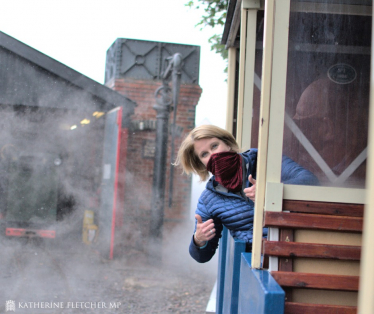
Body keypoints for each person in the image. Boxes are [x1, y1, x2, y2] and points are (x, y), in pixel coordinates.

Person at [175, 124, 319, 263]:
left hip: (293, 248)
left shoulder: (265, 161)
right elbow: (202, 257)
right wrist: (199, 239)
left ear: (228, 144)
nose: (214, 155)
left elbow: (310, 180)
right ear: (202, 164)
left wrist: (269, 193)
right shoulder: (209, 199)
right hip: (253, 262)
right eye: (205, 154)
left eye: (214, 146)